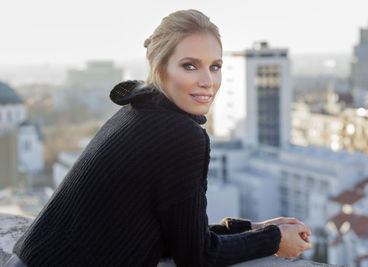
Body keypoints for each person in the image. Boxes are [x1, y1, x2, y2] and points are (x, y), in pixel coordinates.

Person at [7, 9, 312, 267]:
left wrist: (257, 229)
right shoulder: (181, 135)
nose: (207, 81)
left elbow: (176, 234)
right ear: (160, 68)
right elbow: (195, 257)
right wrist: (273, 241)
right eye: (190, 66)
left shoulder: (137, 111)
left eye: (215, 66)